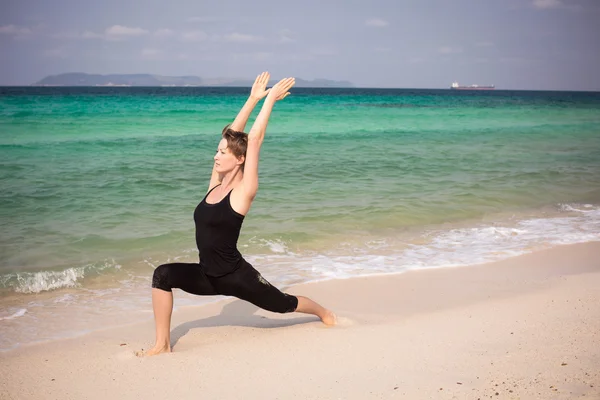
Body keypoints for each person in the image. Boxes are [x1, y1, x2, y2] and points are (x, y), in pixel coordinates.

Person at [140, 72, 336, 356]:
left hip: (237, 277)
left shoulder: (244, 192)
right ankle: (162, 345)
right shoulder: (214, 186)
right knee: (162, 275)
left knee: (283, 304)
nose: (216, 156)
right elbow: (231, 135)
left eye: (222, 153)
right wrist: (251, 99)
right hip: (207, 275)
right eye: (217, 152)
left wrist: (269, 100)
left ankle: (323, 312)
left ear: (239, 159)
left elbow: (253, 140)